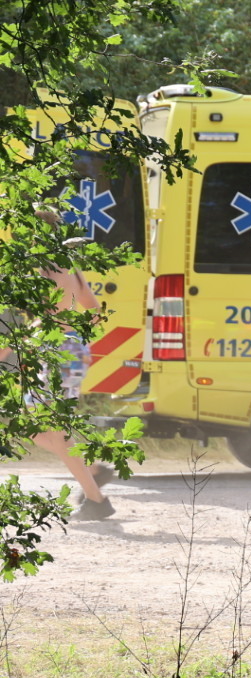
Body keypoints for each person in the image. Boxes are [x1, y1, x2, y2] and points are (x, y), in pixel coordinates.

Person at [10, 209, 115, 520]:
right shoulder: (71, 268)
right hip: (70, 350)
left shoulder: (38, 269)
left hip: (58, 354)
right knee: (35, 428)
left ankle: (96, 501)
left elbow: (26, 317)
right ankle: (95, 471)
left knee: (56, 433)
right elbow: (95, 312)